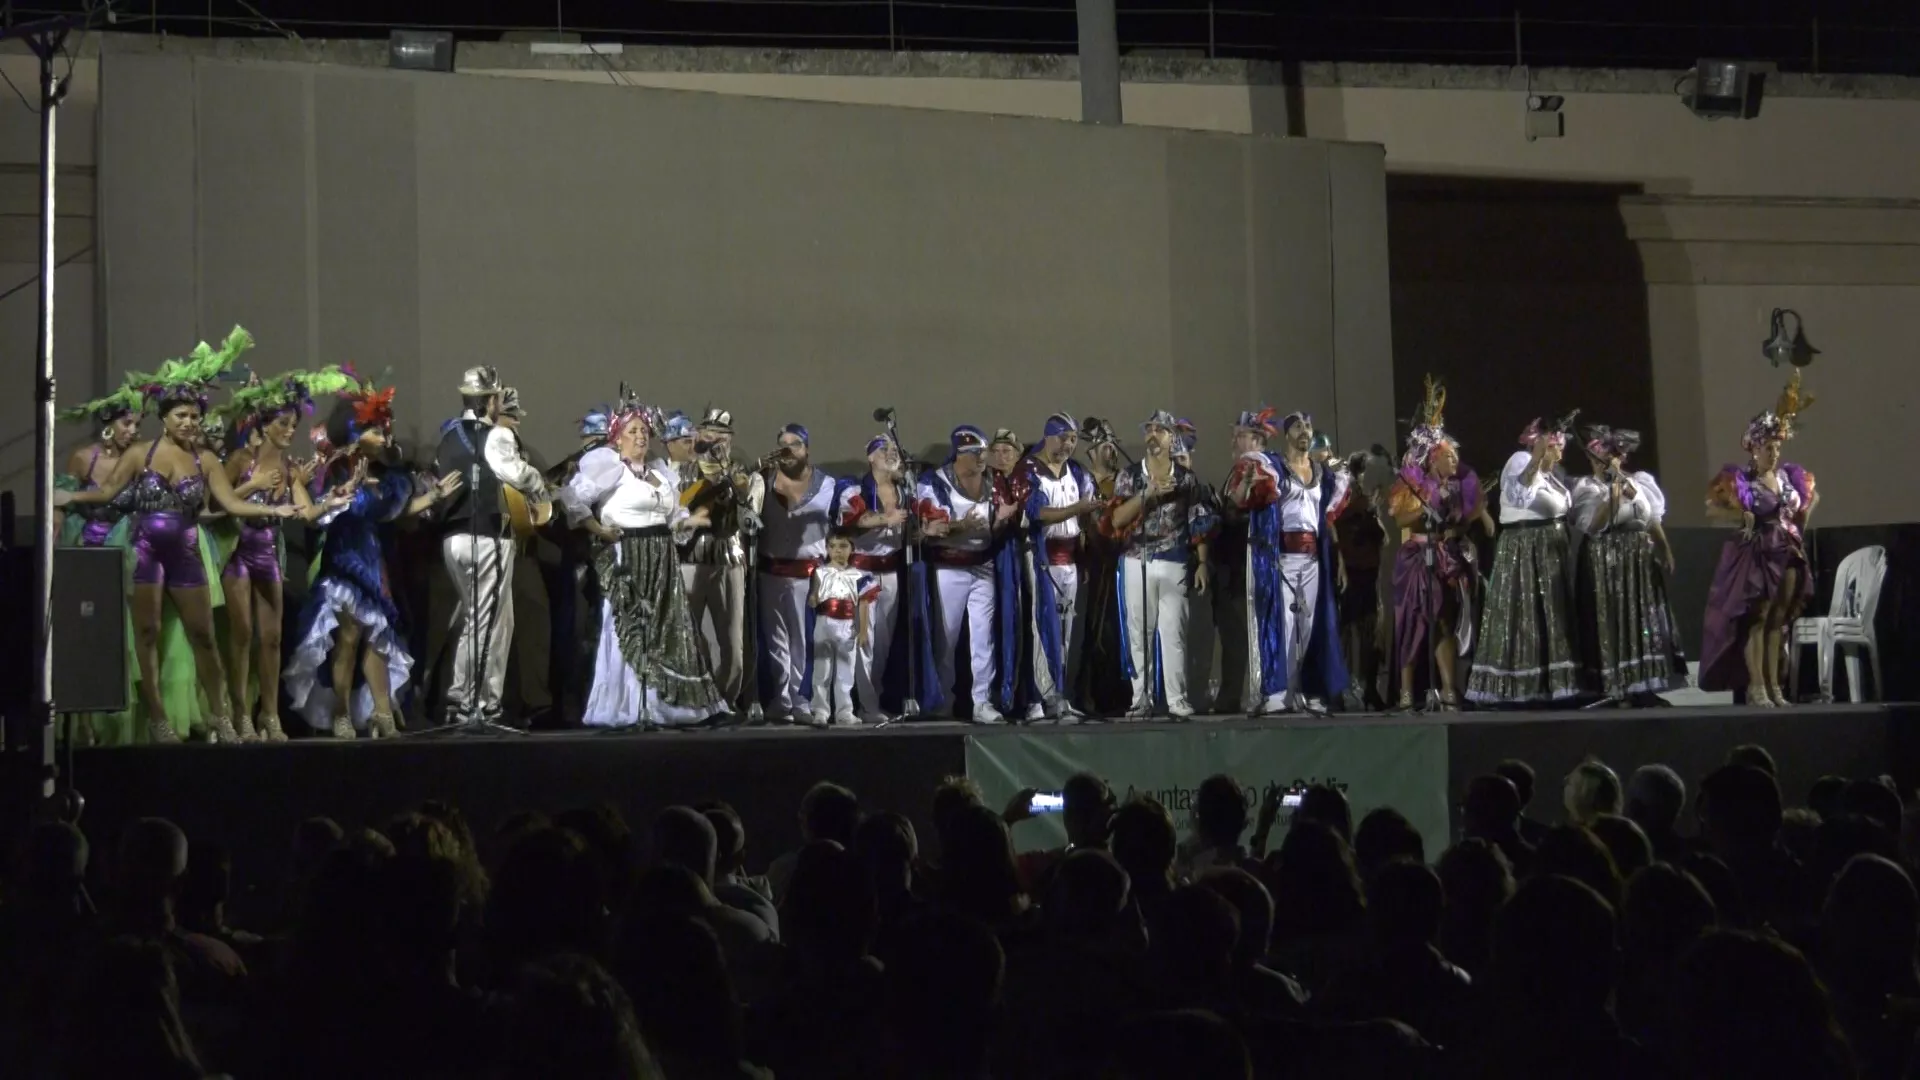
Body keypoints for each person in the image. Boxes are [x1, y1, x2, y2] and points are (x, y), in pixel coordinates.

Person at [54, 328, 307, 744]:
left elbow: (229, 503)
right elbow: (106, 492)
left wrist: (272, 508)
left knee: (204, 635)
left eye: (193, 416)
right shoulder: (142, 454)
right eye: (180, 416)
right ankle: (157, 719)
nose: (189, 423)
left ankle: (221, 715)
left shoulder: (204, 458)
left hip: (185, 551)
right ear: (165, 419)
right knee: (148, 634)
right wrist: (69, 494)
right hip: (145, 550)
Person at [285, 374, 459, 737]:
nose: (384, 439)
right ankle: (340, 711)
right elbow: (315, 514)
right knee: (348, 637)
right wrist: (342, 492)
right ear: (353, 432)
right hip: (344, 558)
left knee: (378, 635)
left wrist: (434, 497)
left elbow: (397, 512)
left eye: (384, 431)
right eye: (376, 431)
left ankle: (381, 712)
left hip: (372, 558)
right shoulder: (330, 470)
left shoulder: (385, 477)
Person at [559, 400, 723, 728]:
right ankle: (628, 705)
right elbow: (572, 499)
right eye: (633, 431)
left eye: (645, 431)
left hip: (661, 557)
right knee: (630, 626)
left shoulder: (659, 474)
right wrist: (599, 530)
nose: (641, 437)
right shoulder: (610, 467)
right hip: (629, 555)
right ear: (617, 438)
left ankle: (663, 705)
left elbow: (672, 517)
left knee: (665, 629)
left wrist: (693, 521)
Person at [212, 368, 342, 741]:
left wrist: (332, 500)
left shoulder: (287, 470)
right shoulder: (240, 460)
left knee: (271, 638)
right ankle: (239, 713)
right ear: (265, 425)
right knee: (242, 635)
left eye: (293, 424)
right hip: (238, 553)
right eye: (283, 423)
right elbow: (215, 505)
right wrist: (252, 486)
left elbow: (307, 513)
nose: (289, 431)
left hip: (267, 555)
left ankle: (269, 713)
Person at [432, 366, 550, 724]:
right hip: (486, 536)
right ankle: (469, 703)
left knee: (485, 619)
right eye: (497, 397)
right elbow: (513, 471)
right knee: (487, 623)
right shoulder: (496, 435)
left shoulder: (448, 436)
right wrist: (540, 487)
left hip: (454, 539)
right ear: (490, 401)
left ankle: (483, 701)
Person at [1700, 369, 1819, 706]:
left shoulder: (1788, 478)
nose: (1774, 453)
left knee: (1779, 619)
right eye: (1768, 447)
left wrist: (1804, 513)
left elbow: (1803, 507)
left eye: (1777, 446)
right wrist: (1744, 515)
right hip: (1761, 552)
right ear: (1754, 448)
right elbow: (1714, 509)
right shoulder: (1742, 481)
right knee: (1759, 618)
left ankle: (1775, 685)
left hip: (1789, 550)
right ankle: (1757, 686)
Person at [1225, 408, 1348, 715]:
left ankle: (1304, 689)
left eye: (1308, 425)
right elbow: (1239, 502)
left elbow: (1327, 517)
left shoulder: (1323, 475)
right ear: (1287, 433)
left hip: (1312, 561)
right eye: (1298, 426)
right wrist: (1246, 484)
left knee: (1309, 627)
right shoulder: (1273, 467)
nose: (1305, 430)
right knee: (1283, 626)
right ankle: (1278, 692)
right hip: (1280, 559)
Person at [1385, 377, 1493, 710]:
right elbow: (1401, 520)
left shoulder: (1458, 486)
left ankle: (1448, 687)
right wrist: (1427, 501)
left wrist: (1462, 524)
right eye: (1448, 456)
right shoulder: (1413, 486)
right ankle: (1406, 691)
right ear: (1432, 459)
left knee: (1445, 620)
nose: (1455, 461)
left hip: (1446, 557)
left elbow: (1474, 520)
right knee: (1412, 623)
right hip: (1418, 556)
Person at [1103, 410, 1217, 719]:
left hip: (1174, 559)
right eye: (1149, 429)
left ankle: (1177, 699)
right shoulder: (1130, 475)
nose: (1153, 434)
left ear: (1172, 438)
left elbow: (1198, 522)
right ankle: (1141, 698)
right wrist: (1148, 494)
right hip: (1134, 560)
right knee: (1139, 632)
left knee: (1173, 632)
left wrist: (1202, 563)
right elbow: (1116, 519)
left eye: (1161, 430)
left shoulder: (1186, 479)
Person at [1468, 409, 1583, 706]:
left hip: (1551, 550)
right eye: (1556, 447)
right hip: (1524, 548)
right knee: (1523, 613)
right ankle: (1517, 684)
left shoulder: (1552, 477)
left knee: (1550, 615)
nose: (1559, 454)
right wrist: (1535, 457)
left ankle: (1551, 684)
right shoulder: (1521, 462)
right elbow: (1519, 493)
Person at [1570, 424, 1687, 705]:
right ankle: (1615, 686)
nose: (1615, 461)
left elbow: (1651, 519)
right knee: (1614, 621)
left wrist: (1665, 550)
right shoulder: (1587, 488)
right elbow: (1591, 526)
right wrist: (1612, 494)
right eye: (1606, 457)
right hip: (1608, 559)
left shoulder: (1641, 482)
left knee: (1643, 621)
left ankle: (1643, 685)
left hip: (1639, 559)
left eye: (1618, 456)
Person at [917, 425, 1022, 723]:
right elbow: (931, 526)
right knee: (947, 637)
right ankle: (944, 700)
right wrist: (960, 526)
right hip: (950, 567)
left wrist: (1001, 523)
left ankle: (982, 701)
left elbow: (996, 524)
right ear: (958, 455)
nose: (981, 459)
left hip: (983, 566)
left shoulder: (995, 481)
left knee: (982, 637)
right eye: (975, 453)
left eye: (982, 453)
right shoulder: (934, 482)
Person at [1011, 413, 1100, 721]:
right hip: (1041, 555)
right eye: (1062, 438)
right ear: (1047, 436)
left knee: (1066, 631)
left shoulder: (1077, 472)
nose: (1068, 445)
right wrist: (1076, 509)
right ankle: (1038, 697)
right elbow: (1037, 513)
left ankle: (1060, 694)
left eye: (1073, 439)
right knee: (1041, 627)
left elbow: (1087, 520)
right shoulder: (1028, 471)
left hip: (1070, 559)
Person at [678, 407, 766, 717]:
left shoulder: (744, 474)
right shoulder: (682, 471)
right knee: (688, 634)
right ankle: (693, 700)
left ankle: (725, 701)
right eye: (708, 433)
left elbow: (750, 519)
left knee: (732, 641)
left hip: (729, 557)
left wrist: (740, 488)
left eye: (722, 435)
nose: (714, 439)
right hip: (689, 557)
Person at [834, 433, 915, 721]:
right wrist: (885, 519)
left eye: (895, 449)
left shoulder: (905, 490)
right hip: (863, 573)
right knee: (863, 639)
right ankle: (864, 705)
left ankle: (873, 699)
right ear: (870, 457)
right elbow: (851, 523)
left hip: (891, 572)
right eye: (884, 450)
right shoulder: (854, 488)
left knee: (883, 642)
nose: (891, 453)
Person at [758, 423, 835, 722]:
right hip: (771, 572)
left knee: (803, 640)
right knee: (776, 640)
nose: (788, 449)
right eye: (783, 444)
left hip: (808, 575)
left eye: (795, 444)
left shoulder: (828, 485)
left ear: (807, 450)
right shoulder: (763, 481)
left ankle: (802, 700)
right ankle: (782, 699)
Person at [1074, 421, 1134, 716]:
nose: (1111, 451)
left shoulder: (1124, 482)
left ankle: (1117, 697)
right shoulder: (1080, 481)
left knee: (1116, 630)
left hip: (1118, 564)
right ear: (1091, 451)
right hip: (1089, 566)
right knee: (1087, 631)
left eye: (1113, 445)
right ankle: (1086, 696)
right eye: (1105, 446)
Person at [1335, 446, 1393, 712]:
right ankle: (1343, 690)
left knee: (1370, 634)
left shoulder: (1366, 502)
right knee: (1346, 632)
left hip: (1369, 572)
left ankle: (1370, 689)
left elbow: (1382, 537)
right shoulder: (1345, 497)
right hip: (1350, 571)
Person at [808, 531, 880, 727]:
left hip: (847, 626)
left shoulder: (858, 576)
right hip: (824, 622)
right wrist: (813, 600)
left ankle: (844, 711)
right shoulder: (821, 572)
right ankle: (821, 710)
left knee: (845, 671)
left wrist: (863, 630)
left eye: (842, 546)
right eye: (832, 547)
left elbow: (863, 604)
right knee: (822, 669)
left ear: (852, 549)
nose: (837, 551)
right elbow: (814, 595)